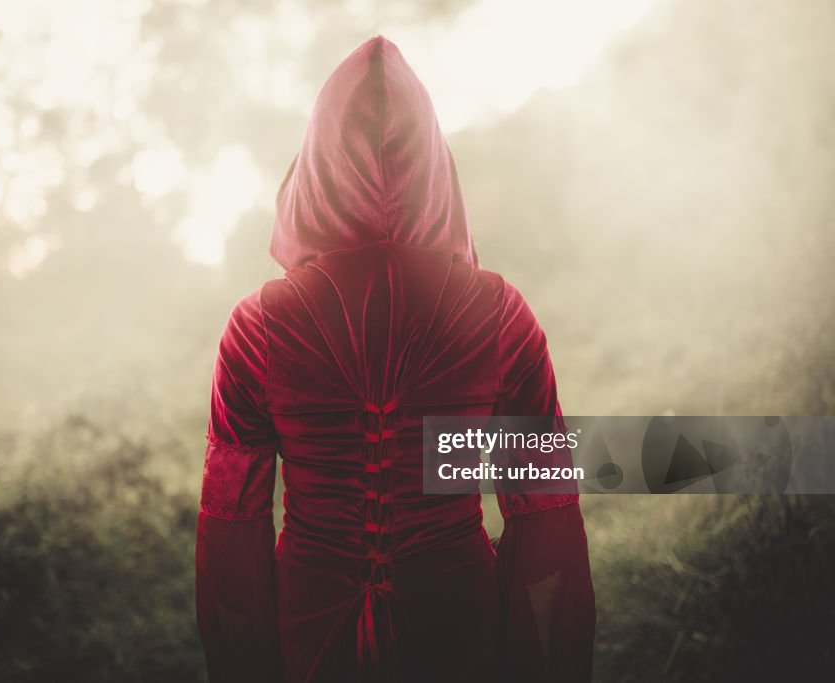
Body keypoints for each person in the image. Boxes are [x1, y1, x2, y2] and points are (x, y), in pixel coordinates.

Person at [195, 35, 595, 683]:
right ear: (433, 164)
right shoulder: (499, 312)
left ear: (317, 166)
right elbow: (544, 514)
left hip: (308, 629)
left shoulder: (257, 326)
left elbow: (232, 532)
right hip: (460, 621)